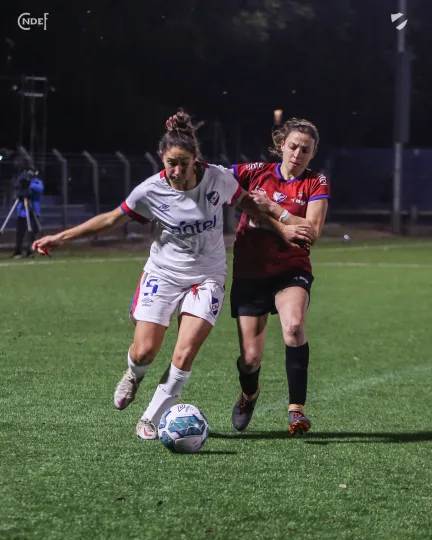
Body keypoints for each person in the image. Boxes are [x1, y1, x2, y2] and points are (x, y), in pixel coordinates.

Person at [32, 111, 313, 440]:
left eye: (184, 163)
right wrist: (60, 238)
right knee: (144, 351)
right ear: (161, 159)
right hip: (163, 274)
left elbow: (248, 205)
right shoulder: (149, 191)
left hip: (207, 277)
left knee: (185, 352)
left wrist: (282, 228)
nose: (177, 171)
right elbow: (109, 220)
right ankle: (134, 374)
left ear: (196, 161)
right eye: (171, 164)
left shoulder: (217, 179)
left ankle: (150, 418)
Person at [229, 117, 330, 435]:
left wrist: (274, 209)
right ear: (281, 145)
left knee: (294, 327)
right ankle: (249, 395)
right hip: (251, 272)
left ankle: (296, 410)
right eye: (293, 146)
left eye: (306, 150)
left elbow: (311, 231)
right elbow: (208, 174)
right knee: (250, 359)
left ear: (313, 153)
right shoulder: (255, 172)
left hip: (291, 270)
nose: (298, 154)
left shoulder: (316, 182)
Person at [12, 168, 44, 258]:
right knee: (20, 233)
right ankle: (18, 251)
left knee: (32, 232)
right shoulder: (21, 180)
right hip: (22, 212)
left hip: (33, 211)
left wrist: (29, 184)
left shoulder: (37, 182)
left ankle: (30, 250)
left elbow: (40, 188)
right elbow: (16, 188)